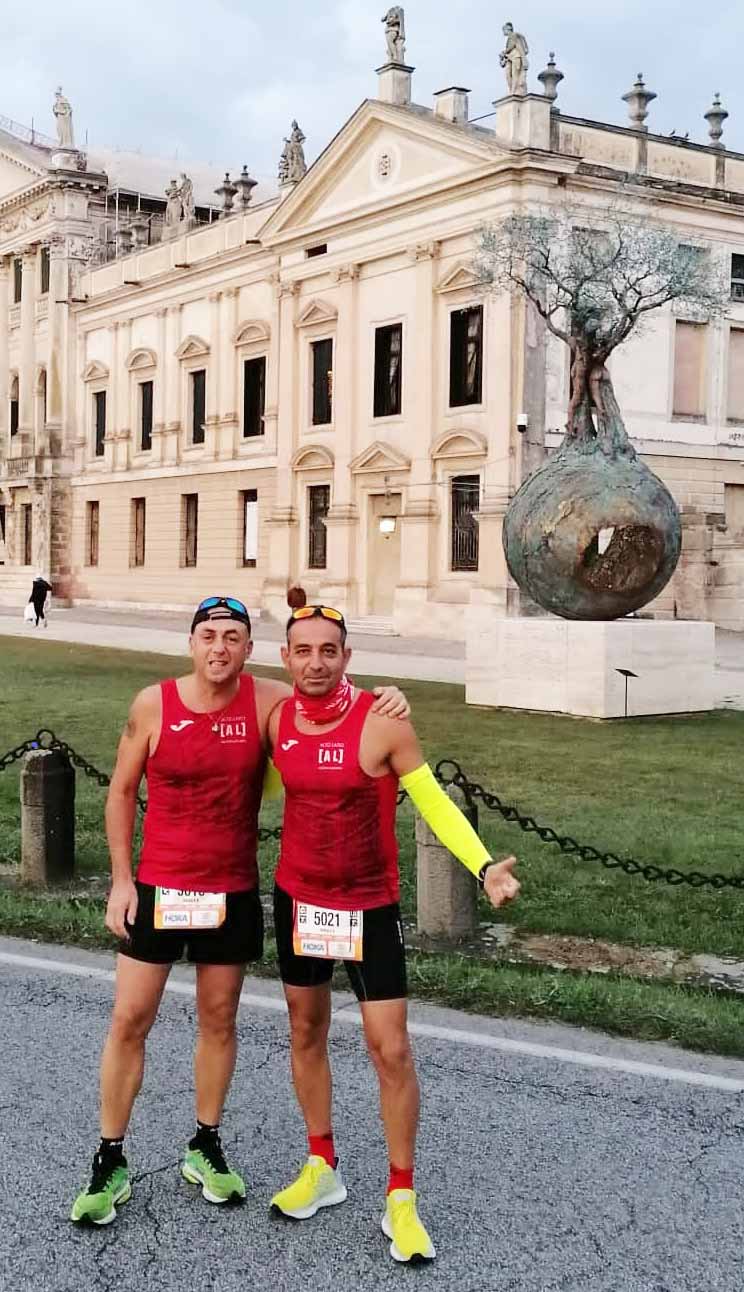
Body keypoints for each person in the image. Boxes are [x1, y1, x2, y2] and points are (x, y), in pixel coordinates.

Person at [70, 595, 409, 1227]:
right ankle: (109, 1155)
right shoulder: (153, 704)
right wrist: (121, 881)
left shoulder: (266, 701)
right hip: (159, 888)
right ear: (191, 642)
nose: (220, 647)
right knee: (130, 1018)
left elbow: (330, 692)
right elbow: (120, 792)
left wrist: (387, 694)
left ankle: (206, 1142)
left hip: (230, 891)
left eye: (233, 636)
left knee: (219, 1018)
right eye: (208, 635)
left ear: (251, 649)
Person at [268, 605, 520, 1264]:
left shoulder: (382, 721)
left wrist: (484, 865)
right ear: (286, 657)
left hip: (365, 907)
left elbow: (432, 799)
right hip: (297, 898)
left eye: (329, 650)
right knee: (304, 1030)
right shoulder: (276, 719)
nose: (316, 662)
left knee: (392, 1051)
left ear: (347, 656)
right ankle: (322, 1165)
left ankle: (401, 1198)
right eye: (304, 650)